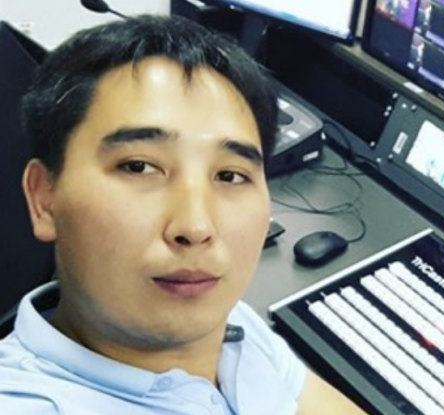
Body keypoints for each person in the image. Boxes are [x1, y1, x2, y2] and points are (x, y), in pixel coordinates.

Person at [0, 15, 365, 415]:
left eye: (229, 175)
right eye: (139, 167)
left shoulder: (231, 327)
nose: (196, 227)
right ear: (44, 198)